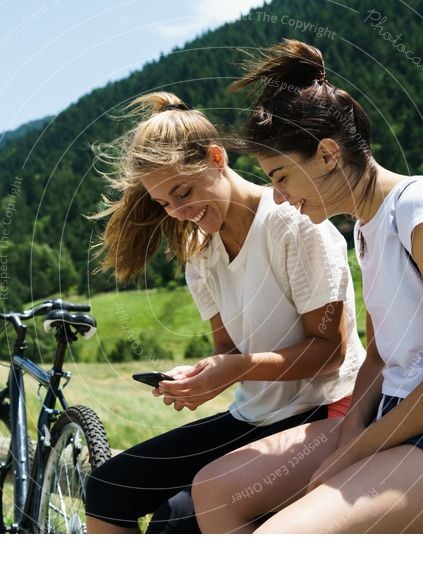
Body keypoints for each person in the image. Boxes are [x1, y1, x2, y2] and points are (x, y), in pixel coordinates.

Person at [191, 40, 423, 534]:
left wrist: (353, 454)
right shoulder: (366, 228)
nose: (280, 198)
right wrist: (349, 435)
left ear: (328, 153)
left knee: (279, 541)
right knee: (214, 491)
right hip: (397, 416)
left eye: (282, 177)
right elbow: (378, 353)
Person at [84, 91, 365, 533]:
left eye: (183, 192)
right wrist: (199, 378)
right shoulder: (201, 252)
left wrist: (230, 371)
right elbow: (229, 351)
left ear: (217, 158)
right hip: (254, 415)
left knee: (177, 523)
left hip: (326, 408)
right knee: (109, 490)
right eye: (164, 204)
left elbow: (330, 351)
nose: (179, 212)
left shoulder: (293, 223)